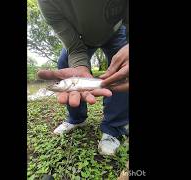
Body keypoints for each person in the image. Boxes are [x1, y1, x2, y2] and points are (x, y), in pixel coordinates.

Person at [37, 0, 129, 155]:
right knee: (64, 62)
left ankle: (113, 129)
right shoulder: (47, 3)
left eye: (59, 84)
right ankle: (77, 119)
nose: (58, 85)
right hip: (80, 39)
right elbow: (74, 46)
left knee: (123, 71)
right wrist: (79, 66)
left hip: (117, 31)